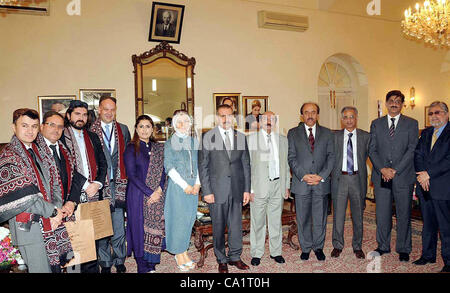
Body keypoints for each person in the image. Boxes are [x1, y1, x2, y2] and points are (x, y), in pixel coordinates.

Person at [0, 108, 73, 273]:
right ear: (14, 127)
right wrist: (53, 212)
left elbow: (55, 182)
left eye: (33, 126)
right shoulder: (9, 157)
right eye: (24, 125)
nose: (30, 130)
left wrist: (56, 211)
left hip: (50, 222)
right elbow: (25, 198)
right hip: (29, 227)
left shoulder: (40, 151)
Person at [198, 104, 251, 273]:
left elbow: (246, 165)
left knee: (236, 226)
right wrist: (207, 191)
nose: (226, 119)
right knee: (219, 226)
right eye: (222, 116)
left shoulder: (241, 137)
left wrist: (247, 190)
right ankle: (221, 259)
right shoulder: (207, 137)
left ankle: (235, 257)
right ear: (217, 117)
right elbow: (203, 166)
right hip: (216, 191)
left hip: (237, 189)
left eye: (229, 115)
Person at [368, 90, 418, 262]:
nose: (394, 103)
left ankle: (404, 248)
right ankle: (383, 246)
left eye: (398, 101)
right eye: (391, 100)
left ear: (403, 104)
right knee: (382, 213)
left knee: (403, 213)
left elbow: (412, 149)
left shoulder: (411, 123)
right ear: (386, 103)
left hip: (403, 175)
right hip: (381, 175)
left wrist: (394, 169)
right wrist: (382, 169)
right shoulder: (376, 123)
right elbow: (371, 149)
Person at [60, 100, 108, 273]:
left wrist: (97, 183)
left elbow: (103, 164)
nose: (81, 118)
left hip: (94, 194)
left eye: (84, 114)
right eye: (77, 114)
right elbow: (66, 168)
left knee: (93, 242)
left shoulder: (93, 137)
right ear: (68, 115)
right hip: (72, 197)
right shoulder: (61, 137)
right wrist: (86, 184)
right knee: (76, 242)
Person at [287, 102, 335, 261]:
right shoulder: (293, 133)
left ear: (317, 115)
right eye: (306, 112)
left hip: (321, 183)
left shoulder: (328, 133)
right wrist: (303, 175)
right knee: (303, 218)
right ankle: (306, 247)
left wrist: (321, 176)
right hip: (302, 183)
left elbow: (331, 157)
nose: (310, 115)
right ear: (302, 115)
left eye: (313, 112)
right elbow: (291, 158)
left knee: (320, 218)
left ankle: (318, 247)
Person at [90, 97, 131, 274]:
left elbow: (128, 156)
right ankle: (105, 262)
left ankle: (119, 259)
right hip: (99, 186)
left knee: (118, 227)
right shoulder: (90, 131)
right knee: (102, 227)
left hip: (119, 186)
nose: (109, 112)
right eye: (105, 109)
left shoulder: (123, 129)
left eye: (112, 109)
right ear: (99, 109)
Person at [124, 115, 167, 273]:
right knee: (139, 229)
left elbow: (163, 172)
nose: (144, 130)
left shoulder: (158, 147)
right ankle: (142, 265)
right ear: (136, 129)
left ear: (153, 129)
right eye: (141, 126)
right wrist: (150, 193)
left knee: (154, 228)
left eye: (148, 126)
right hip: (137, 195)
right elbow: (132, 175)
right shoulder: (131, 148)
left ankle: (152, 262)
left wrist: (159, 190)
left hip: (156, 194)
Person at [247, 111, 290, 266]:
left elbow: (286, 165)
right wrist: (249, 189)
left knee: (275, 222)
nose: (269, 121)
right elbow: (247, 166)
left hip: (277, 186)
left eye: (272, 119)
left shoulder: (283, 140)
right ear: (260, 121)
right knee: (257, 222)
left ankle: (276, 252)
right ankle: (257, 253)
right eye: (266, 119)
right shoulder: (250, 140)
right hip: (258, 188)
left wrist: (286, 186)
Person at [413, 101, 450, 273]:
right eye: (431, 113)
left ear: (446, 114)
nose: (434, 116)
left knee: (446, 227)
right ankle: (428, 255)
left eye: (438, 112)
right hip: (424, 186)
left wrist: (429, 173)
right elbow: (418, 154)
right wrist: (422, 175)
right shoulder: (426, 132)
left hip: (443, 187)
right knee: (428, 224)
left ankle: (448, 261)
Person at [330, 106, 370, 259]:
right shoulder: (334, 136)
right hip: (340, 179)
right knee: (338, 215)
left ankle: (357, 246)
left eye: (351, 117)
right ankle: (337, 245)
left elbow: (371, 155)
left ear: (356, 118)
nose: (349, 120)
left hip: (357, 179)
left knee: (358, 215)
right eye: (345, 117)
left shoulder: (366, 137)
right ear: (342, 120)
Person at [164, 110, 200, 271]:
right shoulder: (170, 142)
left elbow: (200, 165)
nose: (183, 124)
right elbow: (169, 167)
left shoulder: (194, 142)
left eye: (186, 121)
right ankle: (179, 254)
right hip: (179, 188)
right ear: (174, 125)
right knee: (178, 221)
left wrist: (197, 184)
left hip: (194, 188)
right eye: (179, 121)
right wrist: (185, 185)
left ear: (190, 124)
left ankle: (184, 251)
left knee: (188, 220)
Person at [39, 111, 79, 219]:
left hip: (66, 210)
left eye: (60, 126)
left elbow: (75, 177)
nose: (56, 130)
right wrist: (53, 211)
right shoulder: (34, 151)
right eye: (52, 125)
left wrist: (71, 201)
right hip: (45, 214)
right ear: (42, 127)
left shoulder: (66, 150)